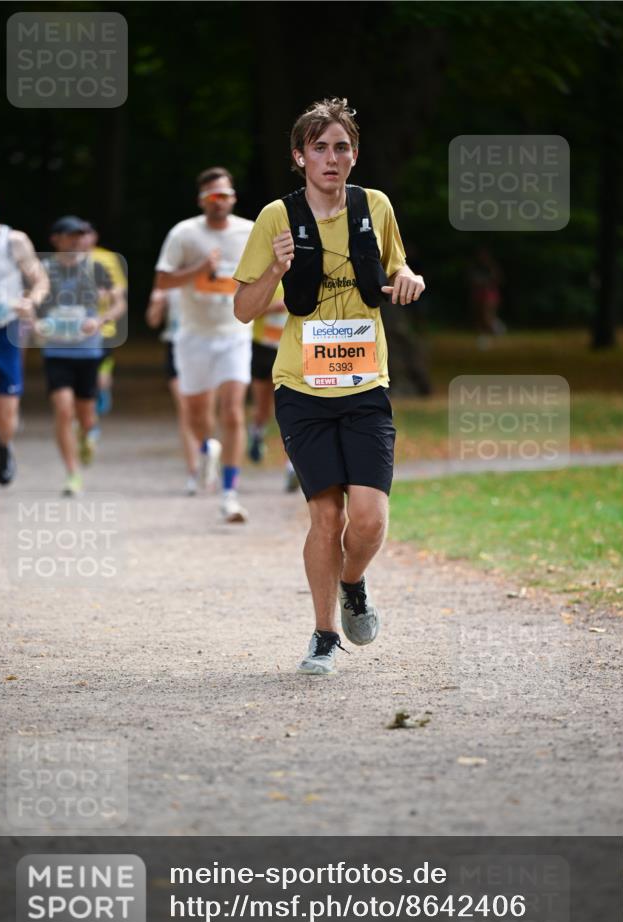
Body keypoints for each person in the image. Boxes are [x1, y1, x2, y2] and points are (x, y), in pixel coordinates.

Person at [234, 97, 425, 675]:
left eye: (342, 147)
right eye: (319, 148)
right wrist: (275, 270)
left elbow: (396, 269)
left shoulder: (376, 206)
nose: (332, 157)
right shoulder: (276, 217)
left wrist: (408, 276)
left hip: (366, 382)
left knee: (368, 519)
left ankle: (353, 583)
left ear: (354, 154)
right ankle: (322, 635)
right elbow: (243, 310)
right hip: (302, 384)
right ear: (300, 156)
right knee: (326, 517)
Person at [154, 167, 254, 523]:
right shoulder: (184, 234)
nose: (219, 202)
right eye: (212, 197)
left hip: (234, 334)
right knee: (197, 416)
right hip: (193, 335)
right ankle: (205, 448)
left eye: (224, 195)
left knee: (231, 410)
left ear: (233, 198)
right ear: (202, 201)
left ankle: (229, 493)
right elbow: (163, 279)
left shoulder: (250, 231)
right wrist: (198, 269)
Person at [36, 216, 125, 496]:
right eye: (70, 235)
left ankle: (88, 436)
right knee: (63, 410)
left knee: (87, 414)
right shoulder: (43, 269)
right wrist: (34, 319)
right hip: (56, 350)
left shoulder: (97, 268)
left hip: (88, 350)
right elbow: (30, 300)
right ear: (56, 240)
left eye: (81, 235)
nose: (77, 240)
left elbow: (118, 303)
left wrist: (100, 321)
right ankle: (72, 473)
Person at [0, 181, 49, 511]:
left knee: (6, 414)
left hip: (4, 332)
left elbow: (40, 279)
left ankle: (4, 444)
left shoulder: (14, 240)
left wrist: (30, 301)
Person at [145, 283, 200, 494]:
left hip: (205, 345)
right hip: (176, 346)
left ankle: (208, 456)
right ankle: (194, 471)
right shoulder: (168, 275)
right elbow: (152, 320)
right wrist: (157, 304)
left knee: (203, 410)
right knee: (186, 409)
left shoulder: (214, 267)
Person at [248, 281, 299, 492]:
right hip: (263, 348)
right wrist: (274, 307)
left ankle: (292, 467)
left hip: (291, 348)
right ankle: (257, 432)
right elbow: (245, 312)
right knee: (263, 409)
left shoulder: (302, 273)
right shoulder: (265, 276)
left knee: (288, 411)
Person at [80, 223, 128, 417]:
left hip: (103, 327)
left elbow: (119, 290)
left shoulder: (107, 258)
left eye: (86, 234)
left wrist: (104, 297)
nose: (82, 238)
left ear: (95, 236)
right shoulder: (64, 260)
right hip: (72, 329)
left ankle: (100, 395)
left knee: (100, 369)